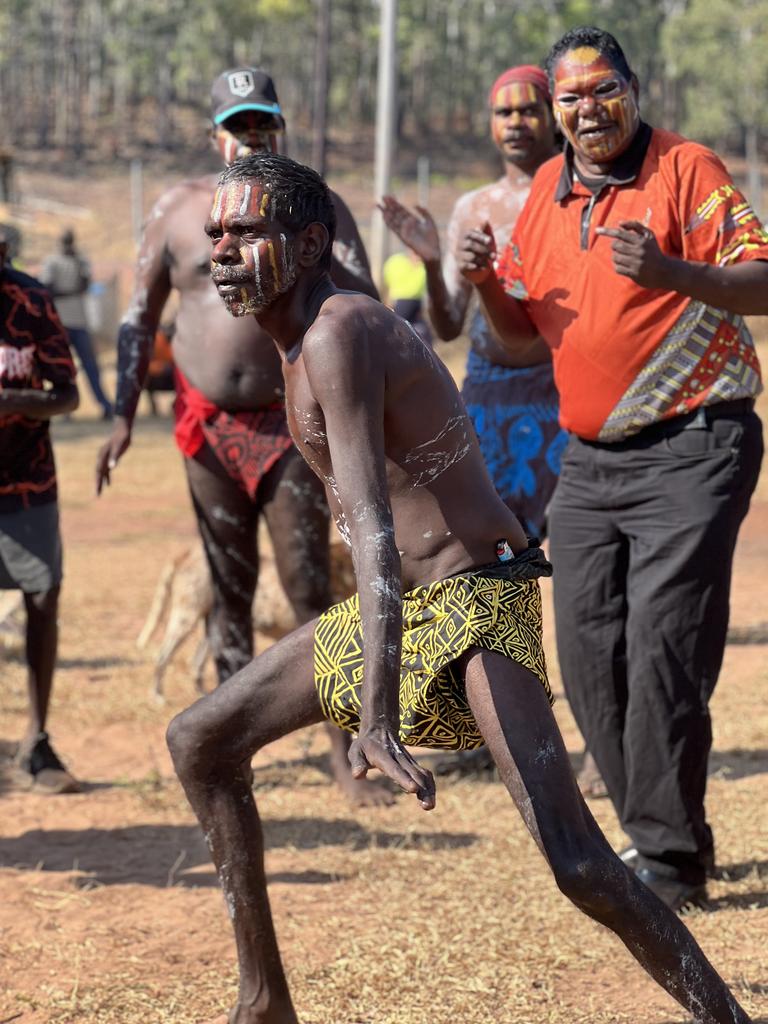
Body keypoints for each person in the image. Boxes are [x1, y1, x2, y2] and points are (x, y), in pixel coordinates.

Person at [165, 151, 757, 1024]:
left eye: (245, 231)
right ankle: (264, 1004)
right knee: (202, 741)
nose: (220, 249)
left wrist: (371, 711)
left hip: (475, 599)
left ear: (310, 241)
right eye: (216, 232)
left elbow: (368, 522)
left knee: (579, 862)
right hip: (403, 607)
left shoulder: (338, 335)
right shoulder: (299, 335)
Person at [461, 26, 766, 909]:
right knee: (590, 652)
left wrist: (674, 271)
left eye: (604, 90)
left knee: (664, 643)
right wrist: (485, 283)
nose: (587, 109)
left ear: (633, 89)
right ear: (554, 111)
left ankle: (670, 859)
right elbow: (519, 341)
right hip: (588, 460)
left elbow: (765, 279)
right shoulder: (549, 190)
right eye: (571, 97)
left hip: (695, 444)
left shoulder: (685, 169)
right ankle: (656, 834)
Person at [95, 67, 384, 806]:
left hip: (291, 424)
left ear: (279, 128)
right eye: (239, 126)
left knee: (310, 589)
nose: (252, 137)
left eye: (264, 125)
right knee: (230, 593)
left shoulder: (317, 207)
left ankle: (346, 753)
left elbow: (365, 300)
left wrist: (326, 251)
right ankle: (232, 744)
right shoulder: (176, 210)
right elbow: (138, 317)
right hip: (205, 429)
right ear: (215, 134)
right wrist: (124, 415)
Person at [379, 65, 566, 540]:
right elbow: (446, 326)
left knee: (574, 539)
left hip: (562, 390)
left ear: (553, 116)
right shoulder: (473, 207)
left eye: (529, 110)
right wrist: (433, 264)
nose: (516, 122)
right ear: (491, 123)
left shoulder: (577, 194)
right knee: (495, 544)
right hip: (488, 393)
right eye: (504, 112)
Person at [0, 224, 80, 793]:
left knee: (43, 597)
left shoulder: (30, 301)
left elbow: (68, 393)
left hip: (27, 482)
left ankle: (37, 740)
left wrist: (14, 400)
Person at [40, 229, 113, 420]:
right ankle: (65, 409)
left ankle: (105, 406)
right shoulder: (52, 262)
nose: (68, 246)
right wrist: (71, 291)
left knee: (91, 367)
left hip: (80, 322)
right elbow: (47, 289)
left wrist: (73, 282)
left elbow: (85, 284)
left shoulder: (81, 261)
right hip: (60, 323)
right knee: (63, 368)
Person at [381, 248, 433, 347]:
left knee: (425, 336)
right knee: (395, 333)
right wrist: (387, 303)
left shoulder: (424, 267)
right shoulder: (396, 262)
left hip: (415, 306)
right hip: (399, 303)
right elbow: (387, 286)